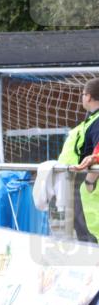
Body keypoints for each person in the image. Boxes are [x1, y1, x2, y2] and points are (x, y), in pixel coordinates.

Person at [63, 78, 99, 242]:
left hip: (90, 185)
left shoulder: (96, 121)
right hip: (83, 182)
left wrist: (89, 182)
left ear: (89, 96)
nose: (82, 97)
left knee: (88, 231)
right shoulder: (92, 119)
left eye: (83, 94)